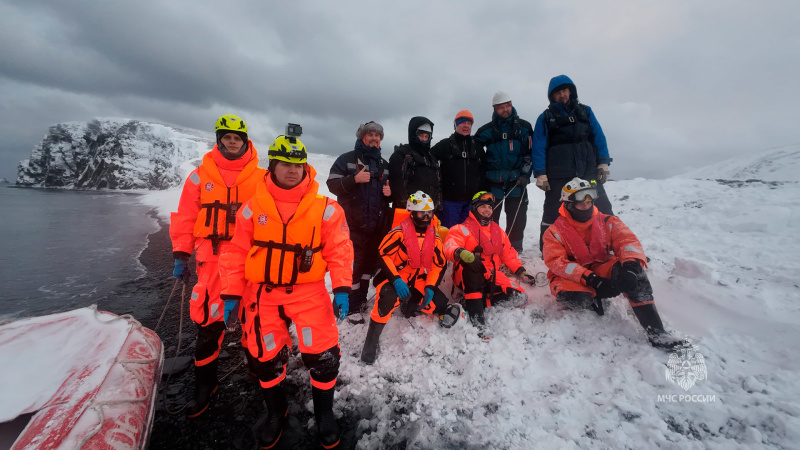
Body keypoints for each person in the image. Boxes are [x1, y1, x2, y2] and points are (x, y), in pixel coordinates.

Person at [218, 134, 353, 448]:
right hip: (263, 295)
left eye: (298, 164)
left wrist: (343, 288)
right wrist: (231, 294)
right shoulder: (252, 210)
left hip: (308, 294)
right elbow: (236, 252)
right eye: (285, 164)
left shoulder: (326, 209)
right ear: (272, 166)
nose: (292, 170)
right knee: (265, 358)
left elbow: (341, 250)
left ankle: (324, 414)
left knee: (323, 356)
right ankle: (276, 411)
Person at [169, 114, 265, 418]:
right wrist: (180, 253)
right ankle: (205, 385)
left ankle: (259, 376)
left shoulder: (262, 177)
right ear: (219, 138)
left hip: (249, 260)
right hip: (210, 260)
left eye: (237, 137)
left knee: (255, 318)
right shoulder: (199, 176)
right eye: (227, 136)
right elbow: (186, 215)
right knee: (209, 322)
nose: (232, 141)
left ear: (245, 140)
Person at [541, 178, 684, 350]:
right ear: (569, 204)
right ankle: (594, 295)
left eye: (589, 201)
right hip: (571, 277)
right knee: (575, 299)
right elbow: (557, 263)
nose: (586, 206)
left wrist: (631, 267)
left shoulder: (608, 221)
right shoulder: (554, 232)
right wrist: (591, 279)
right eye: (581, 203)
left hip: (602, 267)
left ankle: (657, 332)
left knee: (636, 277)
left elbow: (627, 242)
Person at [360, 191, 450, 364]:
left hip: (417, 279)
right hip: (393, 277)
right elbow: (383, 255)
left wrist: (430, 287)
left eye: (429, 213)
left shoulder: (435, 238)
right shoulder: (398, 233)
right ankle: (371, 343)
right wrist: (396, 279)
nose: (426, 216)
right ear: (412, 212)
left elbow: (439, 265)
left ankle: (409, 306)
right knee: (386, 301)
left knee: (437, 303)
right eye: (421, 212)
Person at [532, 74, 615, 252]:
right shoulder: (545, 118)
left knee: (602, 207)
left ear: (571, 91)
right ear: (552, 96)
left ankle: (615, 244)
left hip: (587, 170)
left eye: (565, 90)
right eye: (558, 93)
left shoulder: (586, 112)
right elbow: (538, 146)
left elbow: (598, 137)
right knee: (553, 210)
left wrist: (603, 163)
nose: (562, 95)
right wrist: (540, 173)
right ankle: (547, 248)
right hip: (558, 174)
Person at [443, 191, 535, 338]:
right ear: (474, 208)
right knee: (473, 266)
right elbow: (449, 246)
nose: (487, 210)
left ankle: (472, 303)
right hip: (468, 274)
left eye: (490, 207)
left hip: (491, 275)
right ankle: (478, 321)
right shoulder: (460, 229)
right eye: (483, 206)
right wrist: (462, 253)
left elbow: (508, 254)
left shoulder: (498, 231)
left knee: (519, 297)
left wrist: (521, 271)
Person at [327, 121, 392, 318]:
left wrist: (390, 194)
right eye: (370, 134)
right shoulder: (347, 159)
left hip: (375, 228)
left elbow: (389, 194)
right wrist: (353, 179)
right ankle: (347, 306)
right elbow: (332, 184)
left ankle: (360, 300)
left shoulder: (384, 165)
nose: (374, 138)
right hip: (351, 226)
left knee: (367, 268)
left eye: (377, 135)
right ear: (362, 137)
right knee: (351, 269)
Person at [474, 91, 534, 251]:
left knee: (518, 217)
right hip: (493, 182)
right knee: (490, 217)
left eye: (507, 105)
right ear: (495, 109)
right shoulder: (485, 131)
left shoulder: (524, 127)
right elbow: (475, 154)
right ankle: (491, 246)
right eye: (501, 107)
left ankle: (514, 250)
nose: (505, 109)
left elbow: (530, 154)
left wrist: (525, 175)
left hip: (517, 181)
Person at [430, 110, 486, 227]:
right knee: (449, 233)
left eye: (469, 123)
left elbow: (484, 169)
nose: (466, 126)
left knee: (467, 235)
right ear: (456, 125)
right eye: (463, 122)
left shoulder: (477, 147)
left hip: (471, 202)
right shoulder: (445, 145)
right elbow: (428, 160)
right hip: (450, 201)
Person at [388, 116, 441, 211]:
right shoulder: (402, 154)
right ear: (414, 135)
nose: (424, 140)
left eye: (427, 136)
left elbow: (438, 183)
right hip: (409, 209)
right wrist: (405, 205)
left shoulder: (431, 158)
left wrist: (438, 205)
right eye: (421, 136)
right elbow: (397, 183)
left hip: (430, 210)